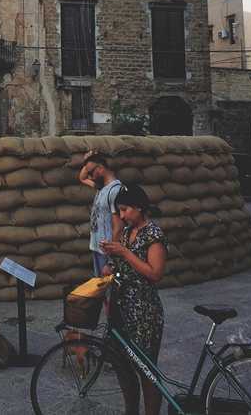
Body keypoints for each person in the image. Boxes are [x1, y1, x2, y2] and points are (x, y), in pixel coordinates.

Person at [100, 184, 168, 415]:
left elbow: (155, 273)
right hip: (121, 308)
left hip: (143, 311)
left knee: (146, 369)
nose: (121, 215)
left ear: (139, 208)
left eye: (125, 210)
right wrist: (110, 264)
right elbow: (120, 265)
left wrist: (125, 253)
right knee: (122, 365)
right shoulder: (128, 233)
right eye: (119, 210)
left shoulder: (153, 234)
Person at [78, 151, 124, 277]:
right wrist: (87, 161)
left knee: (109, 290)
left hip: (107, 251)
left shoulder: (114, 190)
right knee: (100, 289)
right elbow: (82, 178)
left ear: (100, 168)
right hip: (97, 248)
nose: (90, 177)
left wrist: (111, 260)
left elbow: (118, 227)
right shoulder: (101, 187)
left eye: (92, 173)